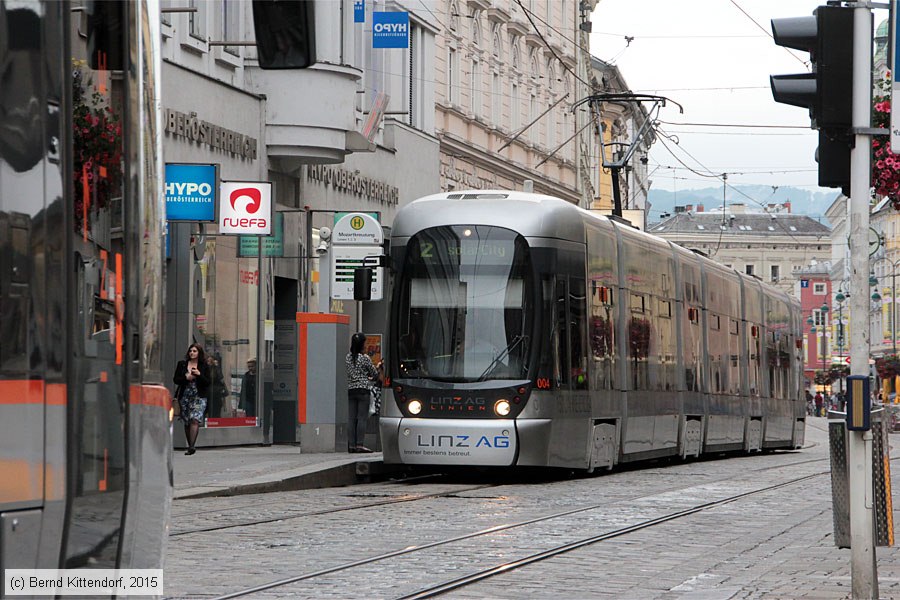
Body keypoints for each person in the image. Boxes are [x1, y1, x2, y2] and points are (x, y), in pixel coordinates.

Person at [346, 332, 382, 453]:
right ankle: (360, 445)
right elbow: (374, 374)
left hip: (351, 390)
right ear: (362, 344)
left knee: (351, 418)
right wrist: (377, 367)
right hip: (363, 391)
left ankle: (351, 445)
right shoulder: (365, 358)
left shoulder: (348, 357)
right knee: (361, 418)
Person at [173, 343, 210, 455]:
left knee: (195, 419)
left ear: (199, 353)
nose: (192, 353)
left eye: (195, 351)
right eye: (191, 351)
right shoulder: (182, 364)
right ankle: (190, 446)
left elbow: (207, 382)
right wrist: (186, 377)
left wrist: (199, 374)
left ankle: (192, 446)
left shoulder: (204, 365)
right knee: (187, 421)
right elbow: (176, 379)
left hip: (198, 397)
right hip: (185, 396)